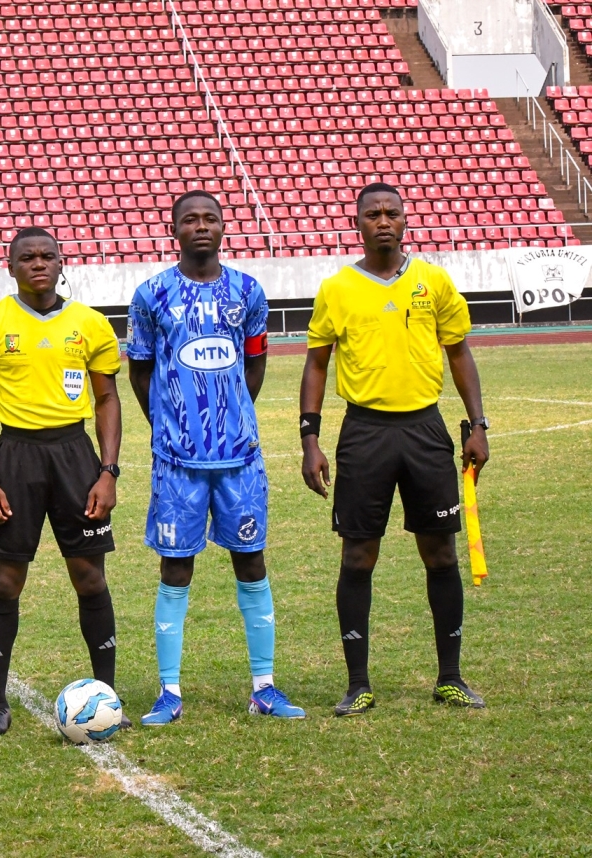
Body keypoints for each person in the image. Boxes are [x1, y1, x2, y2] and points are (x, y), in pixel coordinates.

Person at [300, 182, 490, 716]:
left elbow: (459, 353)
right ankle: (357, 684)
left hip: (426, 429)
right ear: (357, 223)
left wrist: (478, 425)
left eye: (391, 213)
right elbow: (316, 363)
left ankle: (450, 677)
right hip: (364, 432)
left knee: (441, 553)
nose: (383, 221)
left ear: (405, 221)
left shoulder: (433, 280)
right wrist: (310, 438)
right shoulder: (337, 288)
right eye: (372, 214)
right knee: (358, 556)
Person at [127, 190, 305, 725]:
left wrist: (231, 418)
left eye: (210, 218)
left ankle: (264, 687)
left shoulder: (248, 292)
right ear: (174, 229)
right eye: (190, 219)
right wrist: (170, 423)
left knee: (251, 560)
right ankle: (169, 692)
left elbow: (255, 365)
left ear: (224, 227)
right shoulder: (151, 294)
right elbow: (140, 370)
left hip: (239, 457)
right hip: (177, 461)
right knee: (175, 567)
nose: (201, 226)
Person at [0, 226, 126, 736]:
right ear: (10, 267)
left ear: (60, 263)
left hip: (75, 456)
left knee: (90, 578)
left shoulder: (91, 324)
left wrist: (108, 471)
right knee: (5, 581)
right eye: (27, 257)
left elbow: (107, 399)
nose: (38, 263)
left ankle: (107, 697)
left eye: (47, 256)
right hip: (15, 457)